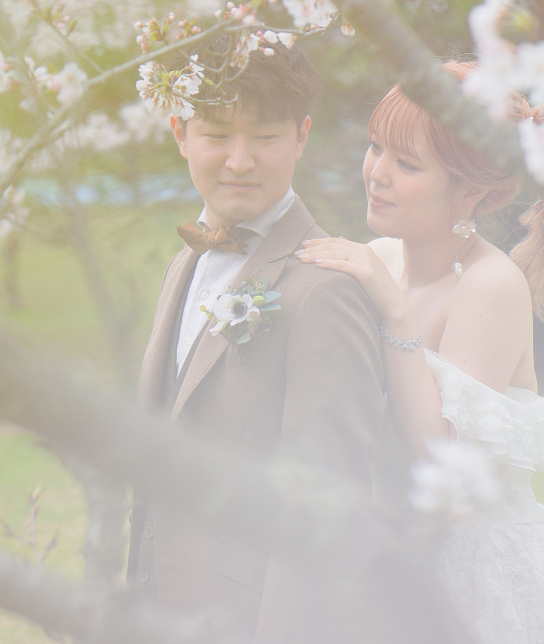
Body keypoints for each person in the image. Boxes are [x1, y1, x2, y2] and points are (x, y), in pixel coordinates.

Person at [297, 60, 544, 644]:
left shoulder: (489, 286)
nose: (377, 174)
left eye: (407, 163)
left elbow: (441, 464)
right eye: (376, 148)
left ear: (470, 192)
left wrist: (395, 313)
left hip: (478, 573)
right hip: (390, 554)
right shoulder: (380, 259)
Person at [128, 37, 385, 643]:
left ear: (300, 136)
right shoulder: (183, 264)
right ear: (179, 132)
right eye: (217, 135)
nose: (240, 160)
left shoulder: (324, 292)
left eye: (265, 138)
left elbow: (327, 506)